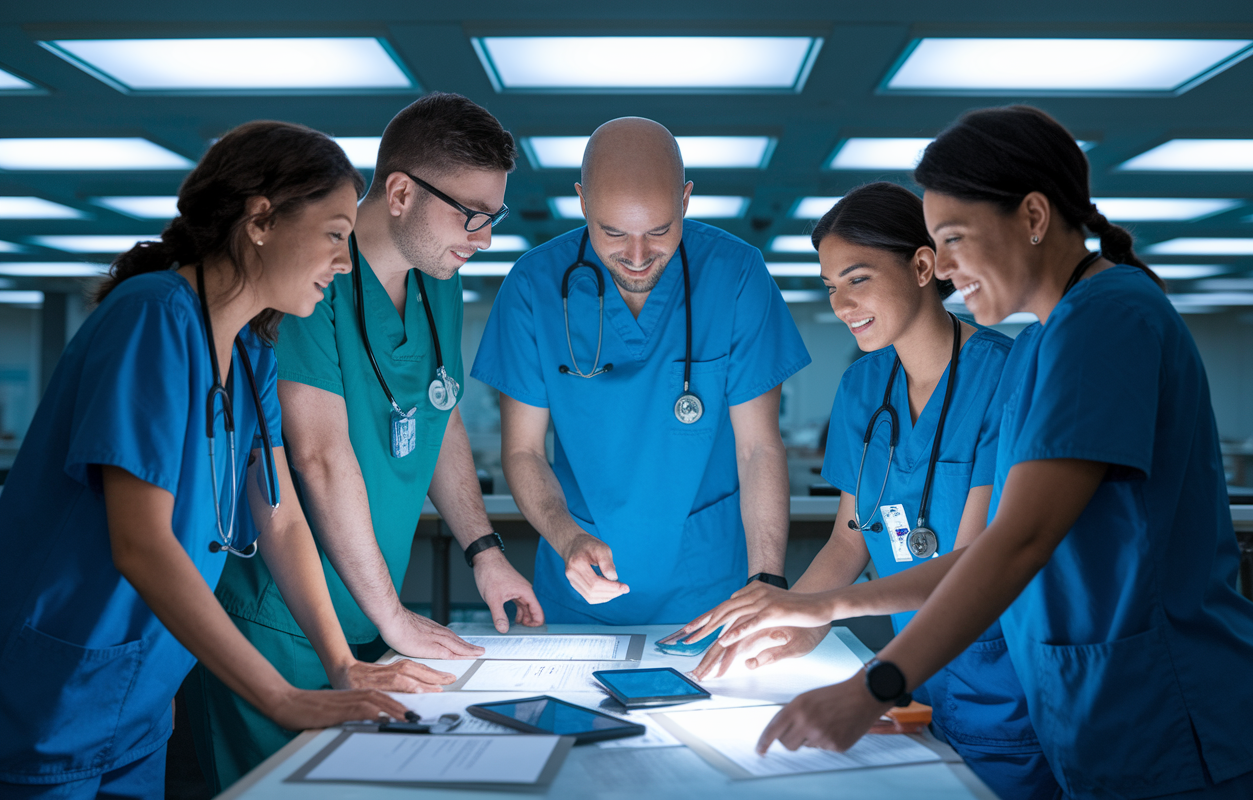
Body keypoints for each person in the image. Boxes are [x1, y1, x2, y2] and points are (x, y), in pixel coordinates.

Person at [755, 106, 1253, 799]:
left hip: (1170, 707)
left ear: (1033, 217)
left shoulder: (1106, 321)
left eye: (952, 239)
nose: (940, 266)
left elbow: (1018, 538)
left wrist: (875, 682)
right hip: (1098, 703)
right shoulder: (1058, 336)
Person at [0, 121, 424, 798]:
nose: (344, 263)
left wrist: (340, 663)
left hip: (138, 695)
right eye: (335, 234)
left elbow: (280, 520)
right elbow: (140, 544)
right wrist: (282, 698)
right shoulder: (154, 318)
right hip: (54, 690)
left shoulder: (252, 350)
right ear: (261, 220)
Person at [187, 93, 544, 790]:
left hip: (372, 616)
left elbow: (439, 417)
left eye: (491, 217)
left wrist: (484, 552)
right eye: (470, 215)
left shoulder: (439, 279)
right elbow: (317, 454)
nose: (484, 237)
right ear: (403, 192)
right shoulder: (308, 274)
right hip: (279, 623)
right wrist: (394, 616)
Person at [675, 181, 1058, 799]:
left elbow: (979, 561)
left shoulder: (1008, 376)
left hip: (1007, 685)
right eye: (831, 287)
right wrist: (787, 620)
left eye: (857, 279)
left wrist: (822, 608)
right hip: (913, 682)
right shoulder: (862, 388)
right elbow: (849, 539)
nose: (842, 304)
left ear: (923, 265)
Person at [470, 117, 809, 624]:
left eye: (659, 232)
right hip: (579, 583)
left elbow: (758, 447)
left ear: (686, 201)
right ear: (582, 201)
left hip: (713, 588)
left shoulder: (736, 275)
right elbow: (522, 450)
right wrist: (569, 538)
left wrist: (767, 578)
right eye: (611, 232)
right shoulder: (532, 287)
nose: (635, 256)